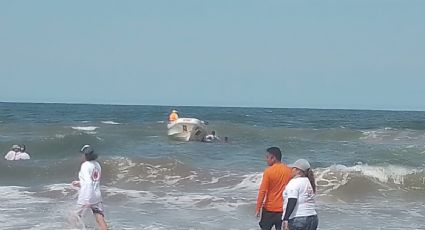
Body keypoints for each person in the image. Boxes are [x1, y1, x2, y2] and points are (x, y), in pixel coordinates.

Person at [71, 145, 108, 230]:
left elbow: (88, 182)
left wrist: (87, 199)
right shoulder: (97, 165)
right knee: (99, 217)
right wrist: (80, 183)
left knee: (74, 217)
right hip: (97, 195)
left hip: (86, 195)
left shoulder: (85, 165)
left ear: (85, 155)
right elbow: (94, 180)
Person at [256, 147, 292, 230]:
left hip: (269, 209)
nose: (266, 159)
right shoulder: (289, 171)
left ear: (273, 158)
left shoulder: (268, 171)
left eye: (267, 157)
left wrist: (258, 208)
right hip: (283, 210)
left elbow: (262, 191)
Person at [282, 159, 318, 230]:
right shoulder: (308, 182)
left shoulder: (294, 182)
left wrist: (285, 219)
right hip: (313, 218)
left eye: (293, 168)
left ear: (298, 170)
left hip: (298, 219)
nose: (291, 170)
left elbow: (292, 200)